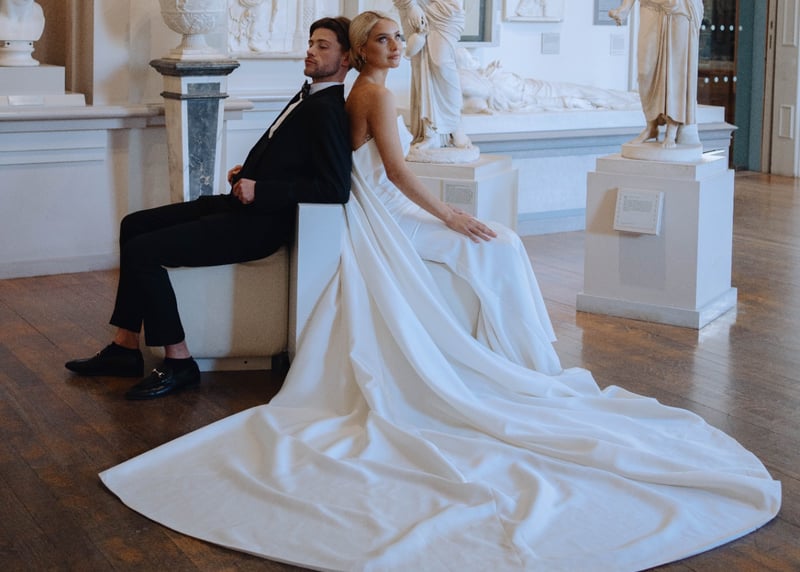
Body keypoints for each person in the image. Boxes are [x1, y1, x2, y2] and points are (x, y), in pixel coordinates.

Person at [98, 11, 780, 571]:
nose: (399, 47)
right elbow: (384, 175)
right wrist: (450, 214)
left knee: (500, 243)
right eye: (385, 40)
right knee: (500, 245)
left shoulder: (353, 94)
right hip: (378, 209)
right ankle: (518, 356)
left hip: (366, 205)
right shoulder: (369, 94)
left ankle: (514, 354)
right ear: (364, 52)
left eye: (398, 38)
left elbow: (353, 168)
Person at [65, 16, 353, 400]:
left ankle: (179, 361)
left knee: (143, 252)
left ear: (346, 59)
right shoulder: (310, 96)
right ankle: (125, 346)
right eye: (311, 43)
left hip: (259, 227)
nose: (311, 51)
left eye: (323, 46)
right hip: (241, 207)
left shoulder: (329, 109)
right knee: (133, 225)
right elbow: (291, 159)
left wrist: (262, 190)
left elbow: (334, 187)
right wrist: (247, 174)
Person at [610, 0, 704, 148]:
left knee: (675, 71)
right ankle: (651, 126)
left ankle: (672, 127)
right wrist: (625, 8)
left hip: (679, 9)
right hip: (650, 7)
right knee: (645, 71)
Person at [391, 0, 473, 154]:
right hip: (411, 4)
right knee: (419, 65)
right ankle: (430, 132)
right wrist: (410, 5)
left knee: (442, 63)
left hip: (446, 6)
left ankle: (455, 125)